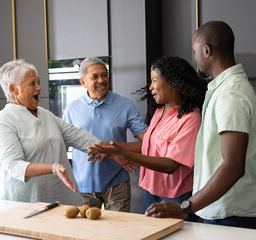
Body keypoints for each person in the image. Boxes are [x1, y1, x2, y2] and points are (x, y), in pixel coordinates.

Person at [144, 21, 256, 229]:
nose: (195, 58)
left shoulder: (231, 93)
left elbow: (233, 166)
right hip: (223, 208)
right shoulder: (223, 89)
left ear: (207, 51)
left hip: (232, 212)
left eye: (195, 51)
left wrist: (184, 207)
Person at [88, 56, 207, 219]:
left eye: (154, 80)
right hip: (151, 192)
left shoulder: (191, 119)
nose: (150, 86)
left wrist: (125, 155)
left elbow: (170, 165)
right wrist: (110, 148)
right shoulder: (160, 112)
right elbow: (149, 146)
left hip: (176, 196)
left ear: (173, 82)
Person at [0, 59, 102, 205]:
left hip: (57, 198)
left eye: (38, 82)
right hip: (23, 203)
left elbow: (77, 135)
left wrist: (110, 151)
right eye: (32, 83)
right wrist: (53, 167)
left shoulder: (45, 114)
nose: (39, 88)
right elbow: (14, 165)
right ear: (14, 89)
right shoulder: (4, 120)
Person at [62, 57, 147, 212]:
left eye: (104, 75)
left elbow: (147, 143)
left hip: (117, 183)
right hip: (82, 184)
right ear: (83, 82)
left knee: (117, 232)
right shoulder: (72, 109)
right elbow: (62, 146)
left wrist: (114, 149)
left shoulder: (125, 105)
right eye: (94, 77)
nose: (101, 80)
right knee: (85, 233)